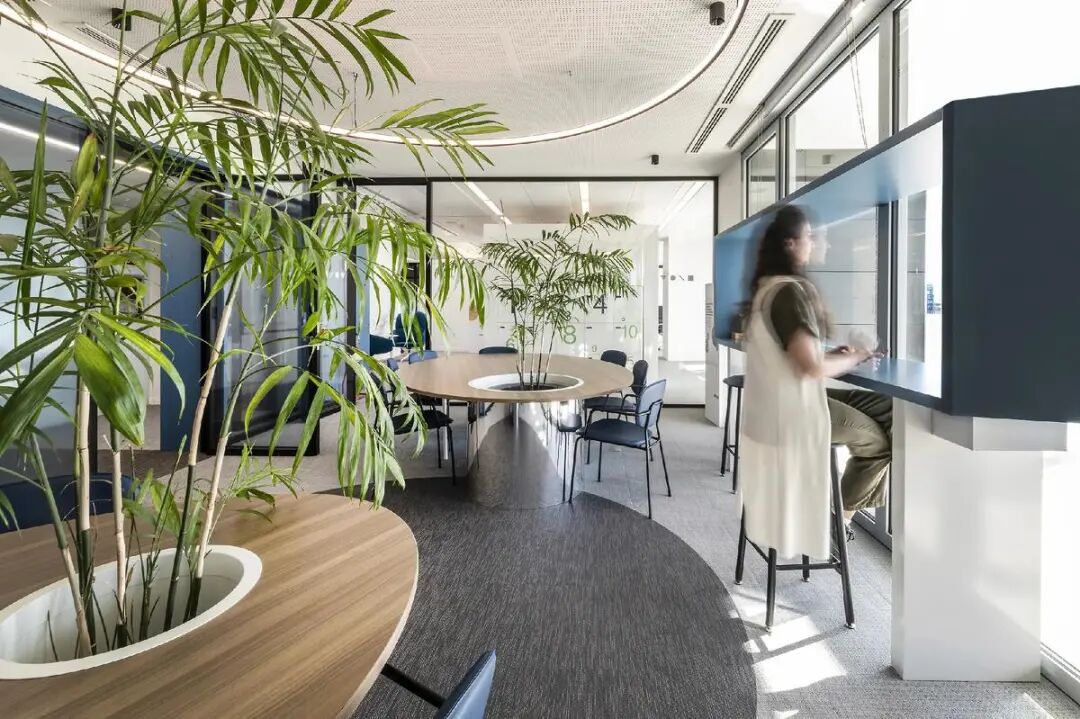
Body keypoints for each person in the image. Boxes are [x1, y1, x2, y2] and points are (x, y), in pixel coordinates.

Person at [737, 205, 891, 559]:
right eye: (812, 236)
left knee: (888, 407)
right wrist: (856, 356)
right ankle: (839, 522)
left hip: (774, 408)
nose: (821, 243)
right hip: (794, 413)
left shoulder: (767, 289)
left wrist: (833, 353)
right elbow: (811, 368)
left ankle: (841, 516)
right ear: (790, 244)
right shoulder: (789, 292)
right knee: (880, 443)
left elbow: (796, 355)